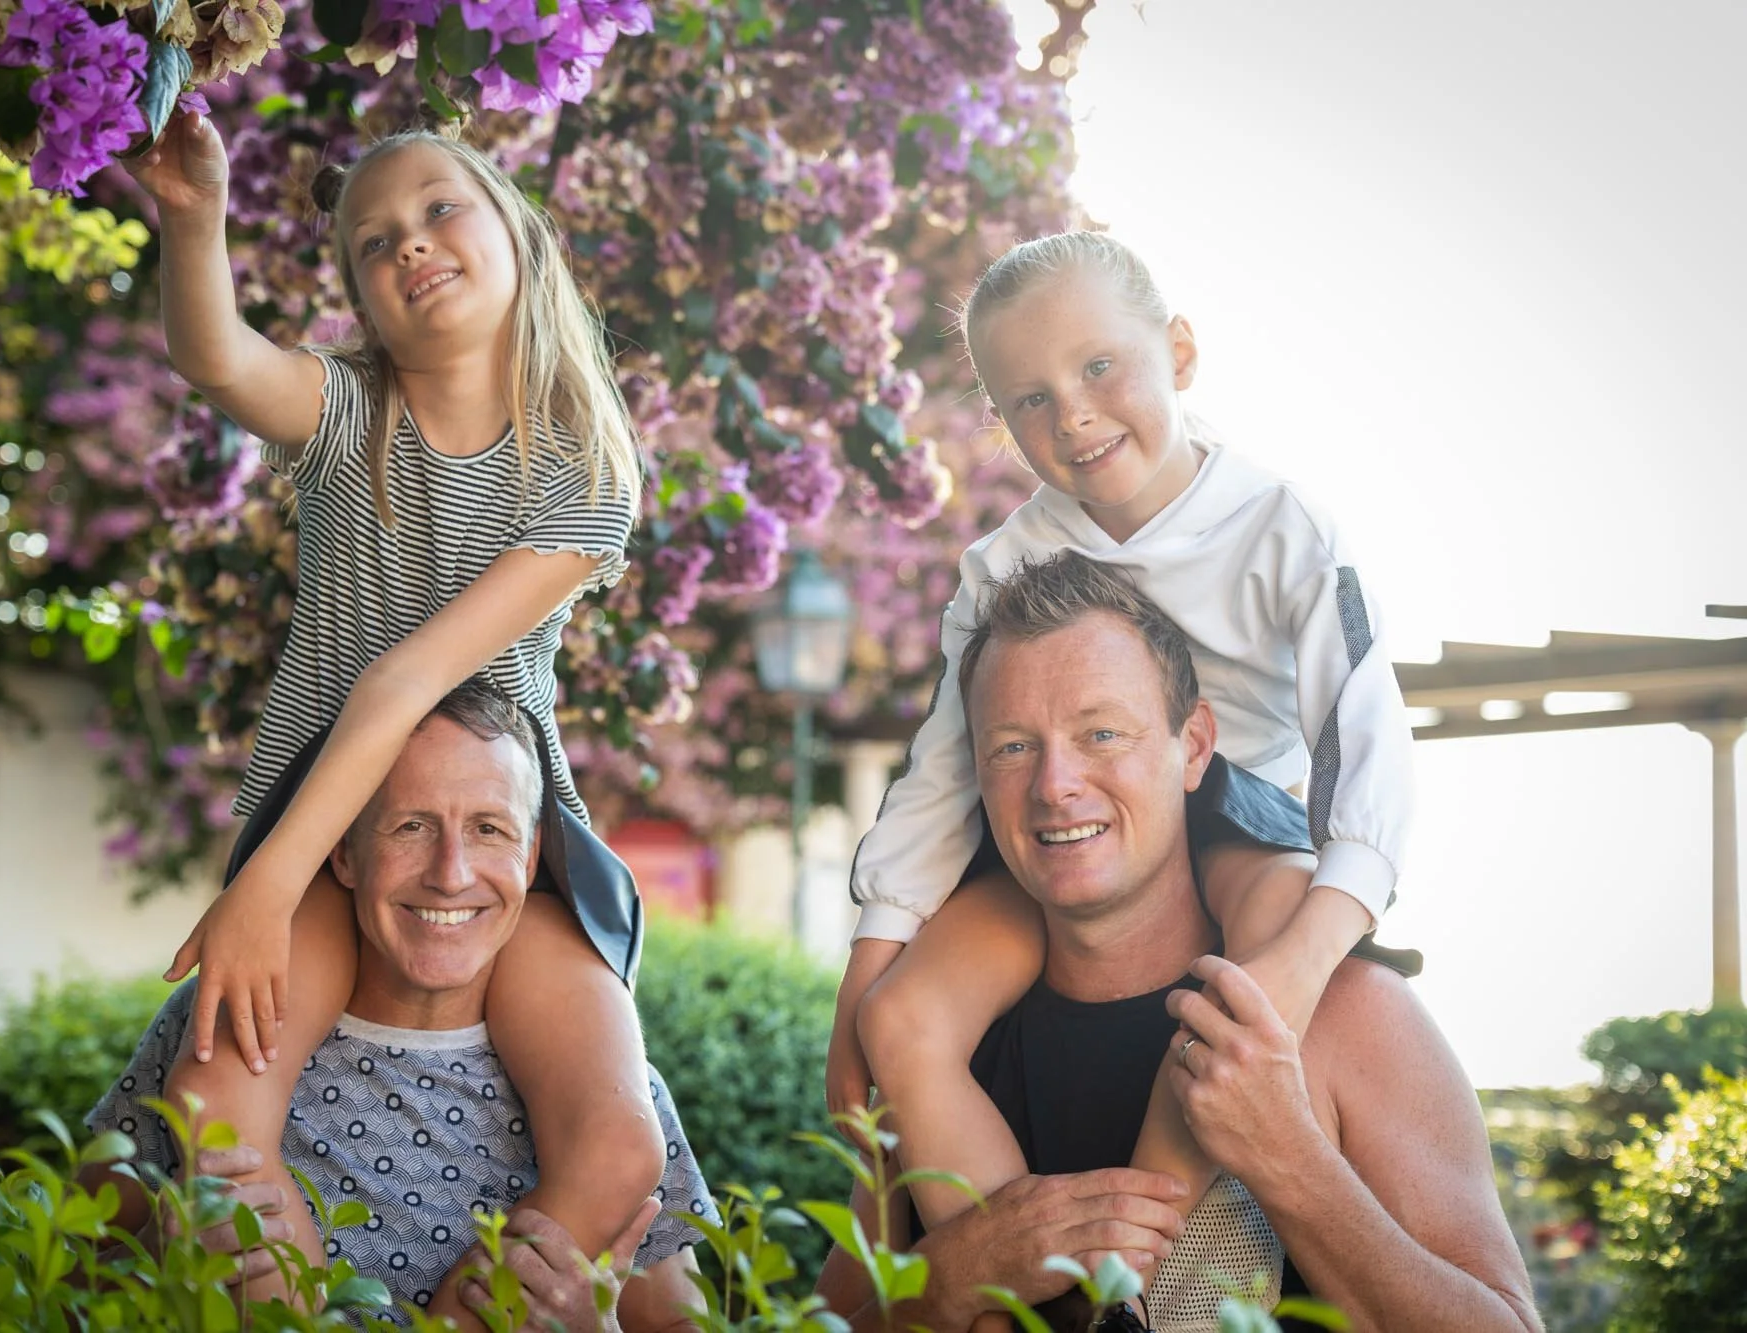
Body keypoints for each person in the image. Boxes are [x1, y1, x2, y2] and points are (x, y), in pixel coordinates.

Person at [123, 113, 665, 1303]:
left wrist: (253, 886)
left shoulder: (582, 473)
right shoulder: (346, 419)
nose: (408, 243)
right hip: (333, 840)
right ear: (362, 302)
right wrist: (194, 219)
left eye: (436, 210)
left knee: (617, 1147)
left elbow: (407, 682)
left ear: (517, 234)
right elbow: (217, 357)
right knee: (214, 1113)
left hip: (493, 842)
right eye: (372, 243)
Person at [828, 231, 1417, 1284]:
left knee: (1235, 1008)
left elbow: (1365, 737)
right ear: (1004, 427)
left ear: (1177, 352)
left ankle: (1145, 1289)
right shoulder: (1006, 561)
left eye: (1097, 367)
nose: (1074, 414)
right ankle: (1026, 1290)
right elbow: (943, 773)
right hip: (1064, 828)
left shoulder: (1283, 528)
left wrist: (1312, 945)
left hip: (1240, 818)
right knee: (903, 1017)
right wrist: (862, 987)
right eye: (1030, 400)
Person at [817, 552, 1538, 1332]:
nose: (1055, 783)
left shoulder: (1350, 1014)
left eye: (1101, 732)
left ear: (1193, 746)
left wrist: (1291, 1161)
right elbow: (828, 1317)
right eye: (1013, 747)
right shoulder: (941, 1042)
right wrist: (944, 1284)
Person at [83, 680, 711, 1330]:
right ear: (345, 852)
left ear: (528, 860)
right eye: (411, 826)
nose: (451, 871)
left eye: (488, 829)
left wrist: (593, 1328)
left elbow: (683, 1323)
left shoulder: (599, 1072)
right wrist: (156, 1260)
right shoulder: (219, 1017)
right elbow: (61, 1286)